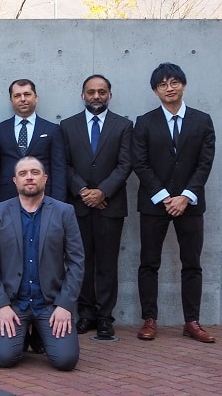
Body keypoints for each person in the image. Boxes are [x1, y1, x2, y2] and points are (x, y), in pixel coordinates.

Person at [132, 63, 216, 343]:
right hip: (155, 203)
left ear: (184, 84)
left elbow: (205, 163)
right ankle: (149, 319)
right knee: (149, 263)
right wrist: (165, 196)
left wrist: (186, 196)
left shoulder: (202, 120)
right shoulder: (144, 122)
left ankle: (192, 321)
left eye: (174, 82)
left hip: (190, 204)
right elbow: (140, 163)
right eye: (163, 84)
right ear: (155, 90)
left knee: (192, 263)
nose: (169, 88)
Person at [0, 156, 85, 371]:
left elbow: (76, 262)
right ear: (15, 181)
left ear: (45, 179)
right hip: (13, 303)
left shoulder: (65, 212)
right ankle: (26, 333)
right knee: (5, 358)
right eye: (23, 173)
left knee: (66, 361)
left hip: (50, 303)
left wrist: (65, 305)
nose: (29, 177)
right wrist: (0, 305)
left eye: (35, 173)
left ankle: (39, 331)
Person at [59, 75, 133, 339]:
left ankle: (104, 317)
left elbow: (126, 164)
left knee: (107, 263)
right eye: (91, 92)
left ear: (110, 95)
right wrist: (82, 191)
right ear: (83, 96)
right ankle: (86, 314)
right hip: (78, 206)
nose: (96, 96)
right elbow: (63, 165)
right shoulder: (67, 126)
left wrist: (102, 191)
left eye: (102, 92)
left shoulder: (124, 125)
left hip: (109, 207)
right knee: (81, 263)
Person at [0, 79, 67, 203]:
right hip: (7, 196)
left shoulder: (52, 129)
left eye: (27, 94)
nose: (23, 99)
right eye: (17, 95)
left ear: (36, 97)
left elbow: (59, 169)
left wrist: (58, 203)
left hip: (44, 196)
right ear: (11, 100)